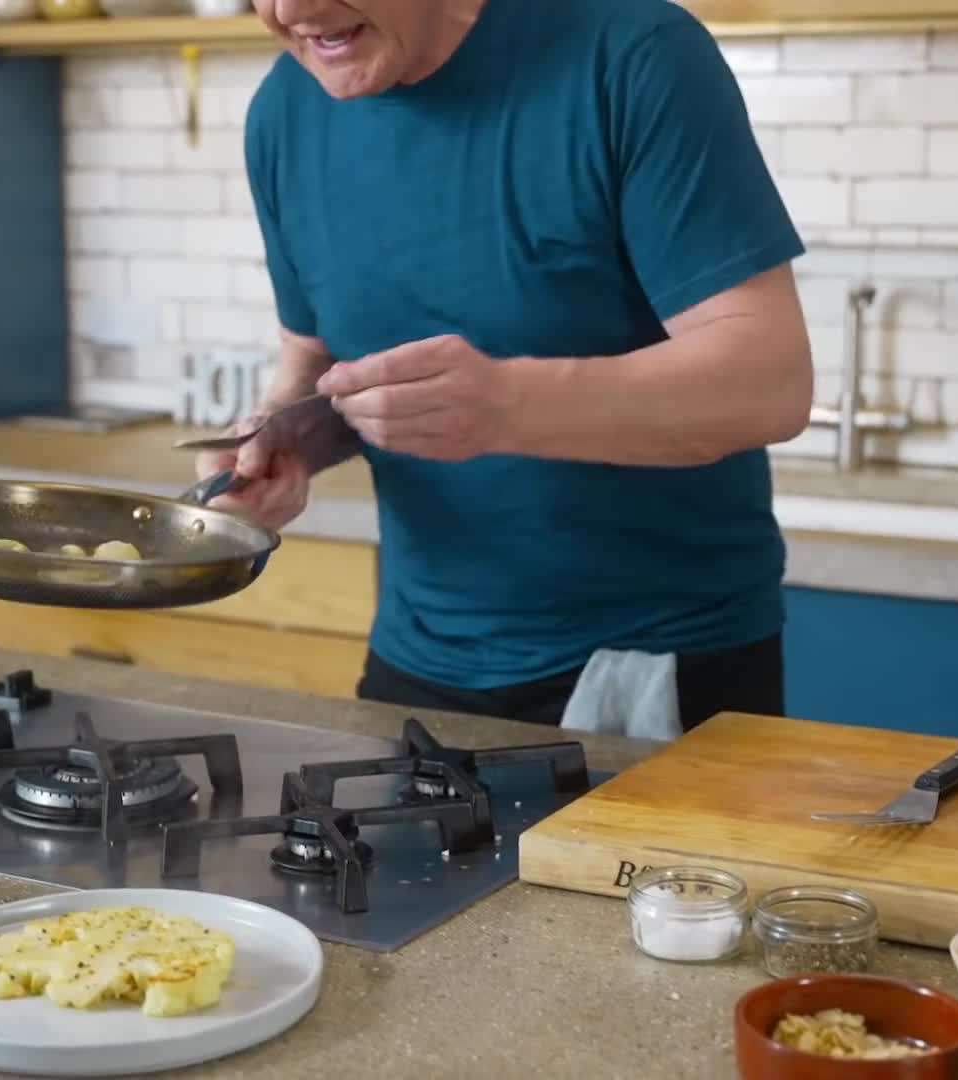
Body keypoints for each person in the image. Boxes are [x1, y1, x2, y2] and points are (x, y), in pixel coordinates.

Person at [197, 0, 813, 734]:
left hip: (653, 670)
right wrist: (287, 438)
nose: (288, 10)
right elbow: (316, 358)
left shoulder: (635, 54)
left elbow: (770, 381)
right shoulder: (285, 111)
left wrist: (508, 405)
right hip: (417, 671)